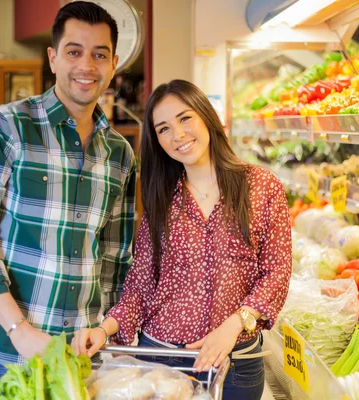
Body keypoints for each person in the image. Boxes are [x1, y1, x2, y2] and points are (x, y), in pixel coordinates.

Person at [0, 2, 135, 399]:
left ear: (113, 63)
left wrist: (108, 331)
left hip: (83, 345)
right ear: (53, 58)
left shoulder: (120, 153)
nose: (87, 65)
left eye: (99, 54)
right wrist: (19, 329)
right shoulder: (6, 127)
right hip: (11, 342)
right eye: (74, 51)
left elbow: (117, 255)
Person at [72, 79, 292, 400]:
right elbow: (141, 284)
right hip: (161, 362)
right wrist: (104, 329)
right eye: (163, 129)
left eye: (185, 118)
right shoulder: (162, 199)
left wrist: (233, 326)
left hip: (234, 364)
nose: (178, 135)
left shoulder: (261, 186)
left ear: (206, 116)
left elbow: (276, 273)